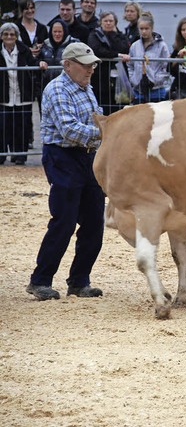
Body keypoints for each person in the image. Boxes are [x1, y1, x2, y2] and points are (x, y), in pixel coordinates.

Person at [26, 42, 104, 300]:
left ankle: (79, 281)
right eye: (85, 64)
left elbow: (95, 118)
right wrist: (108, 133)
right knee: (64, 220)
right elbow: (69, 129)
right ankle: (40, 280)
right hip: (62, 157)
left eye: (92, 64)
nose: (90, 69)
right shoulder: (58, 88)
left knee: (94, 222)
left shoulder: (85, 88)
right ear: (68, 65)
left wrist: (103, 131)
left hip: (86, 157)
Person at [0, 22, 45, 165]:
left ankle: (20, 156)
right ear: (1, 36)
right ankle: (2, 155)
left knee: (22, 127)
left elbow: (34, 62)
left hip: (22, 94)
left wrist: (40, 64)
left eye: (12, 34)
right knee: (3, 127)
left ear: (17, 36)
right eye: (6, 34)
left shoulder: (23, 49)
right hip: (3, 95)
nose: (9, 37)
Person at [87, 11, 130, 114]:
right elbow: (97, 50)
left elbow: (124, 48)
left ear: (115, 23)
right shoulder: (94, 34)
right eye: (105, 21)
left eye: (111, 21)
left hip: (118, 81)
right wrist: (117, 55)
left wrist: (113, 35)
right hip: (100, 79)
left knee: (119, 111)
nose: (108, 23)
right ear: (100, 22)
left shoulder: (120, 35)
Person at [127, 11, 169, 104]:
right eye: (141, 29)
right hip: (138, 90)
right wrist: (133, 79)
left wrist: (156, 79)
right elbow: (130, 65)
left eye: (146, 28)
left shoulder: (162, 45)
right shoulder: (134, 46)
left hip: (156, 89)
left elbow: (166, 65)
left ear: (152, 28)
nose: (144, 31)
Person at [38, 19, 78, 87]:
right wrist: (39, 62)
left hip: (68, 84)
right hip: (48, 84)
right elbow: (38, 59)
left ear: (64, 32)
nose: (57, 34)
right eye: (55, 31)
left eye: (60, 32)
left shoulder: (74, 44)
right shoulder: (45, 45)